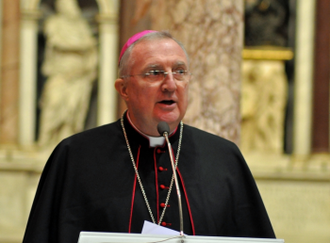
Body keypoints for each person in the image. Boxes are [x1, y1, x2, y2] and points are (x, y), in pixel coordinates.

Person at [23, 30, 275, 243]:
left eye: (180, 71)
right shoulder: (74, 157)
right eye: (154, 72)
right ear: (124, 89)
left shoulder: (224, 158)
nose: (170, 84)